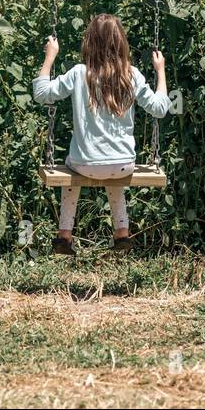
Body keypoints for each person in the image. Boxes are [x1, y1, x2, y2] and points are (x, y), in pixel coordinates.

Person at [32, 13, 169, 255]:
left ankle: (64, 235)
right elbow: (159, 108)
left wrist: (49, 57)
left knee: (72, 167)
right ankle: (121, 233)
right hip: (123, 164)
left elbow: (42, 93)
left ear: (89, 42)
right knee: (112, 170)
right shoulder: (132, 74)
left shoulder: (78, 73)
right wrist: (161, 71)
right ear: (121, 43)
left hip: (84, 165)